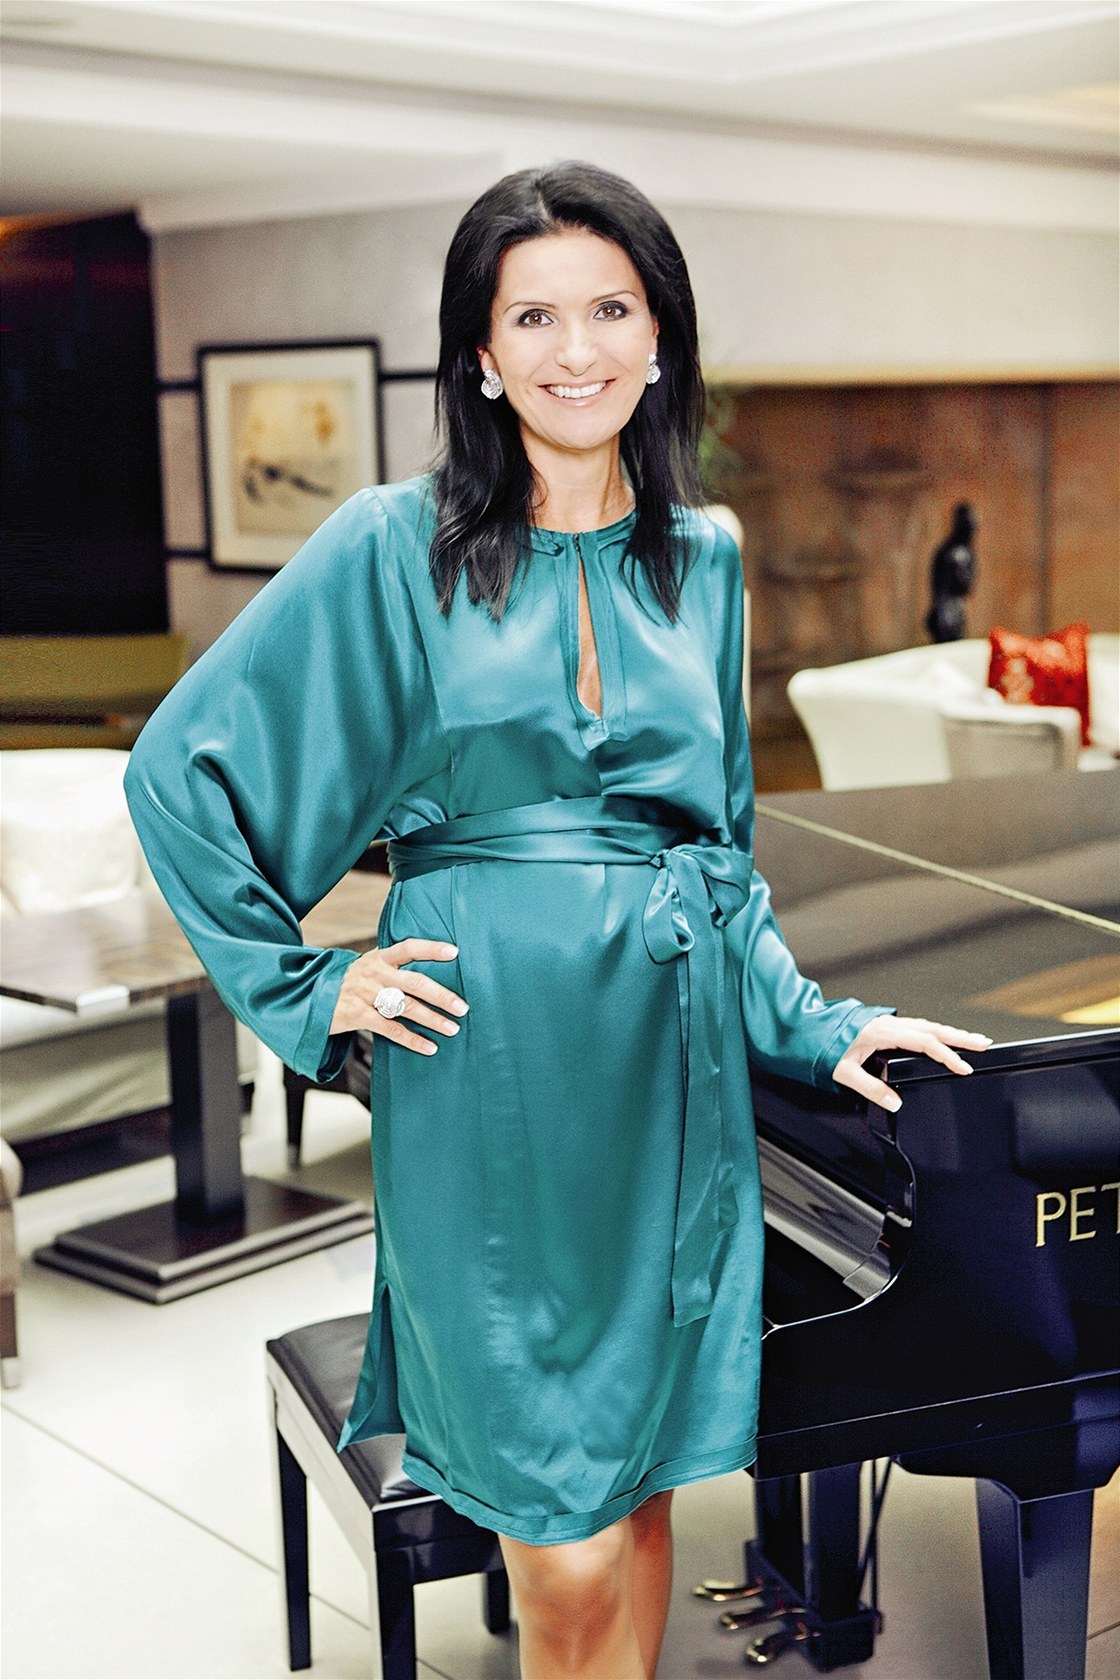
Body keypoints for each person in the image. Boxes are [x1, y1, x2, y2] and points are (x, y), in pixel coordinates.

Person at [125, 162, 989, 1680]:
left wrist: (818, 1025)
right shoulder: (391, 545)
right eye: (533, 317)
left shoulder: (706, 555)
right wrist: (310, 986)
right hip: (491, 1073)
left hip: (669, 1078)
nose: (575, 349)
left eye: (610, 309)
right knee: (565, 1542)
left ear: (660, 338)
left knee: (643, 1485)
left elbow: (716, 851)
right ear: (479, 351)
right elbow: (177, 774)